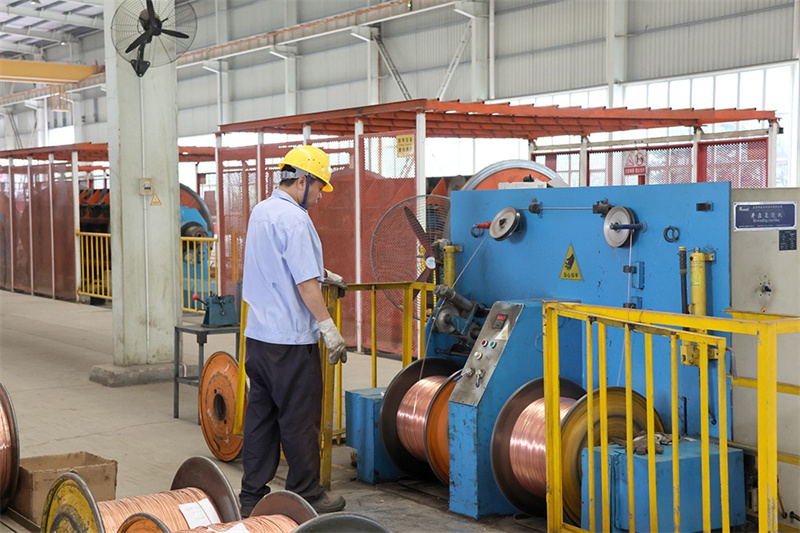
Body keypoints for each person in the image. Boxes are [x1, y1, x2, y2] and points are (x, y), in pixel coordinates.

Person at [238, 145, 348, 517]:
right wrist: (328, 328)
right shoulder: (296, 220)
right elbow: (303, 284)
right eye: (319, 188)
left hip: (259, 337)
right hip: (291, 341)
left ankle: (252, 495)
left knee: (261, 417)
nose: (319, 197)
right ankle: (306, 495)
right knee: (300, 420)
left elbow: (276, 264)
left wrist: (324, 273)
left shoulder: (261, 211)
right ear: (302, 180)